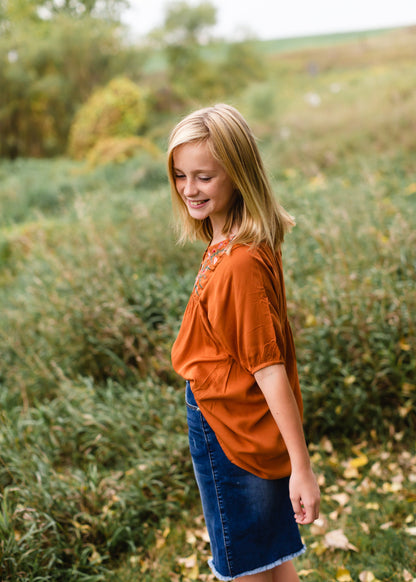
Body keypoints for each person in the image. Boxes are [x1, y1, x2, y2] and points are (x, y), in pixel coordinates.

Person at [168, 104, 320, 582]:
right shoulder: (237, 240)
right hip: (242, 419)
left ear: (238, 174)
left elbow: (268, 366)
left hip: (228, 425)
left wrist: (302, 466)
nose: (189, 189)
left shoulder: (237, 262)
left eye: (204, 177)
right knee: (270, 558)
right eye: (179, 175)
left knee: (246, 568)